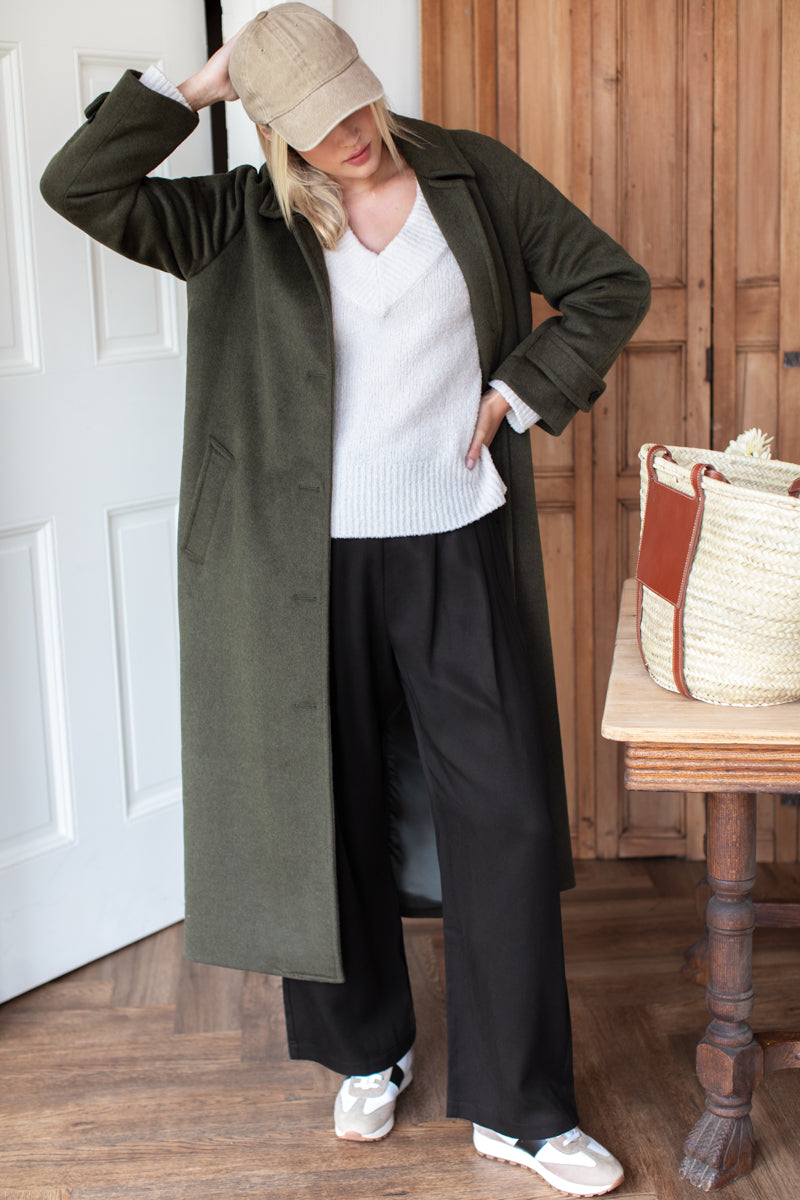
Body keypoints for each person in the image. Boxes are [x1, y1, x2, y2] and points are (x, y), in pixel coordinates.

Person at [41, 5, 650, 1196]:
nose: (352, 135)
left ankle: (521, 1110)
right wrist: (195, 88)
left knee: (507, 818)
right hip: (294, 565)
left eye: (356, 104)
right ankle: (366, 1049)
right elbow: (83, 185)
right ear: (272, 126)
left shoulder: (472, 176)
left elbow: (605, 282)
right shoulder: (235, 217)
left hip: (453, 540)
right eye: (316, 123)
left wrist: (519, 391)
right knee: (320, 809)